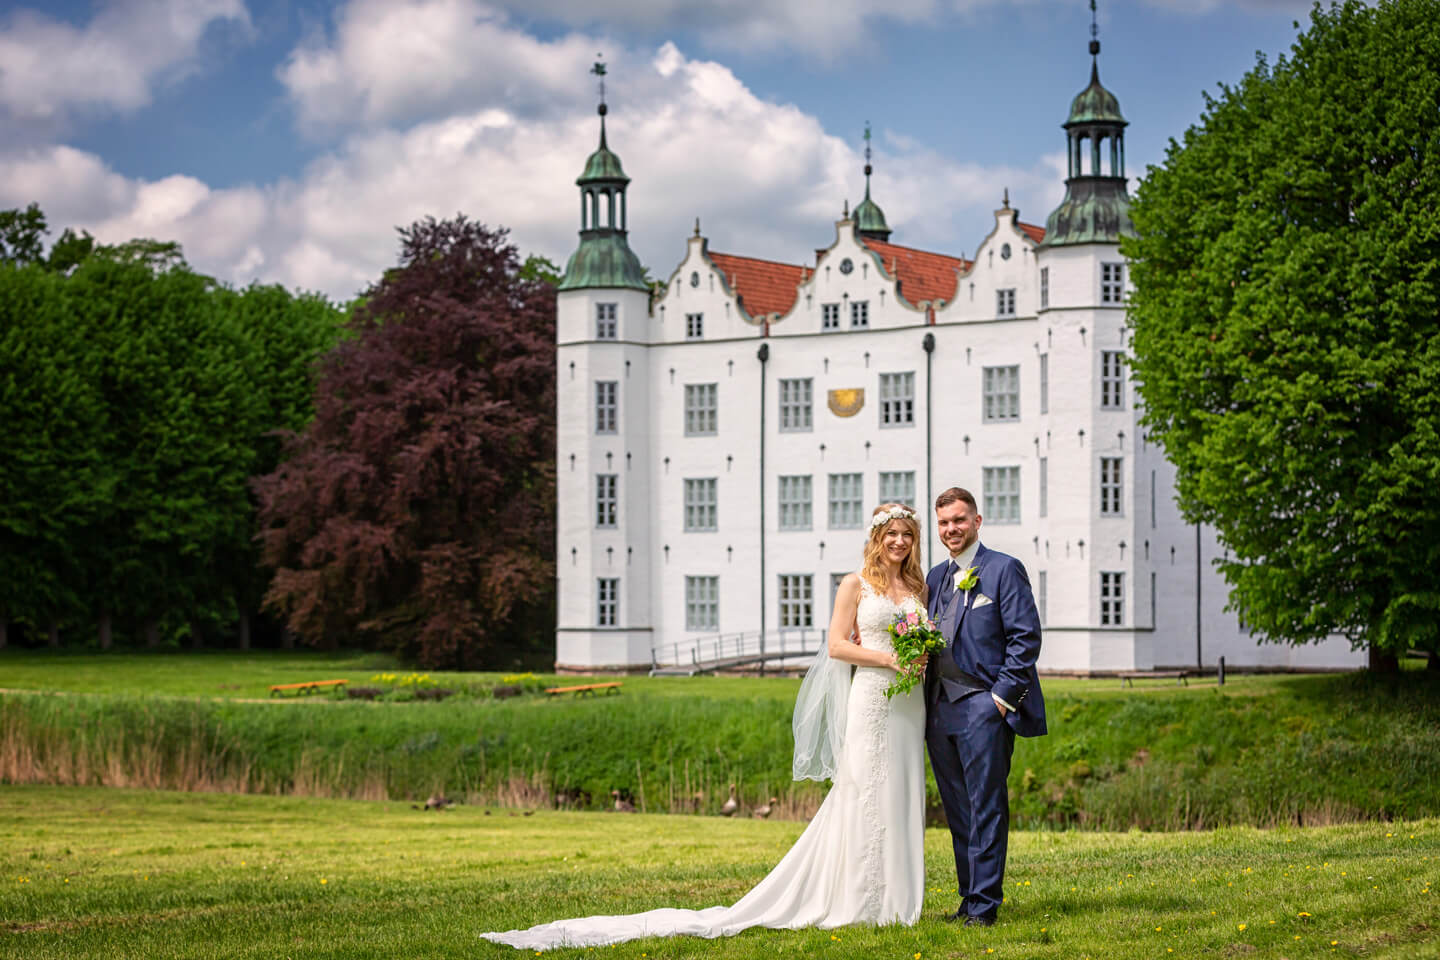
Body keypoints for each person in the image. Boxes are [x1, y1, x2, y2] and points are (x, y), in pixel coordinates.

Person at [481, 503, 930, 949]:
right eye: (891, 533)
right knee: (863, 790)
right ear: (876, 537)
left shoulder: (916, 586)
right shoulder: (855, 584)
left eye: (906, 534)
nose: (898, 542)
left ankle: (899, 898)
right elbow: (836, 646)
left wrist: (919, 658)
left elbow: (921, 637)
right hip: (872, 697)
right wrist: (888, 657)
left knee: (902, 790)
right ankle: (859, 896)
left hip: (910, 702)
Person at [924, 486, 1047, 927]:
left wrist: (1000, 699)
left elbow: (1025, 638)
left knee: (986, 806)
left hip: (983, 705)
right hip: (938, 711)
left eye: (959, 520)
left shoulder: (1003, 570)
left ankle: (984, 905)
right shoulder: (935, 578)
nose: (951, 529)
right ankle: (967, 898)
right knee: (958, 809)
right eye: (943, 523)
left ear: (977, 521)